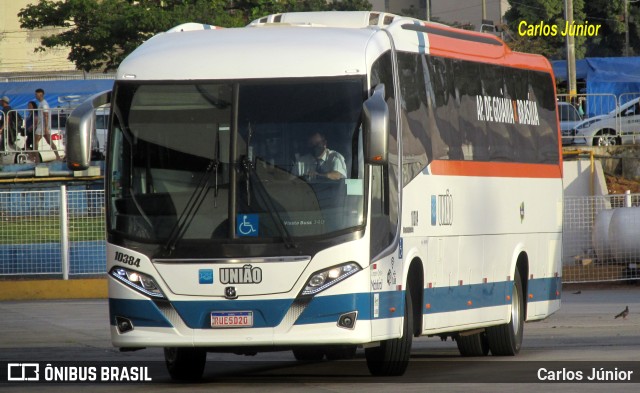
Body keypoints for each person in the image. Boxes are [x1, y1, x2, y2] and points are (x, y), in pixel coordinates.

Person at [34, 88, 61, 160]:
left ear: (40, 95)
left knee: (35, 141)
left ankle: (37, 158)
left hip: (42, 126)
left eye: (36, 94)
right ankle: (57, 156)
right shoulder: (40, 103)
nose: (35, 96)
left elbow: (46, 115)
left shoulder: (44, 104)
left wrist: (45, 128)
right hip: (41, 125)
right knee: (48, 141)